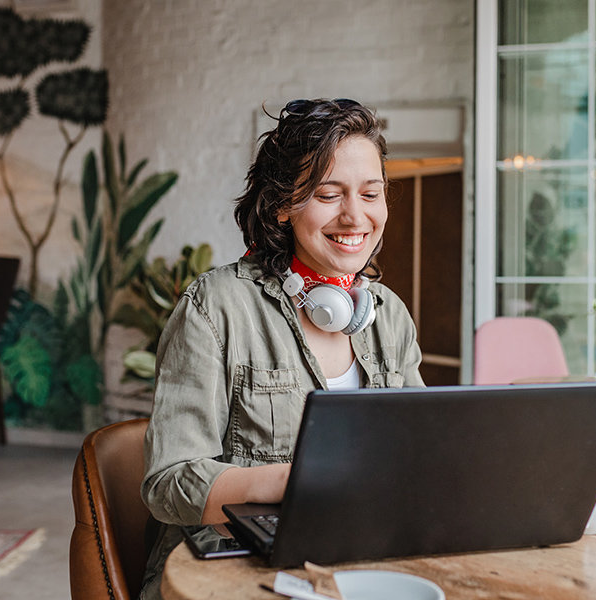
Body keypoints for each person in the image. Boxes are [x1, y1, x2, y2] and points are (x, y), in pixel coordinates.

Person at [138, 98, 423, 597]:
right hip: (229, 575)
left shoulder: (388, 315)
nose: (355, 216)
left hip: (357, 560)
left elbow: (424, 453)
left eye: (371, 194)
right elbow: (169, 483)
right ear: (281, 205)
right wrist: (297, 482)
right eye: (329, 194)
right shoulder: (215, 306)